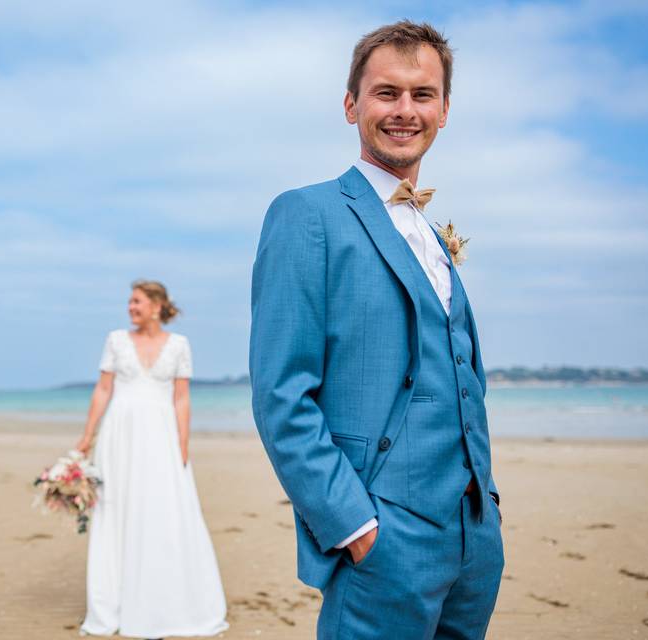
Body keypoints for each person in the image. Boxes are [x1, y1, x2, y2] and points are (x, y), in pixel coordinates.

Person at [249, 21, 504, 639]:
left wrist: (487, 512)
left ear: (445, 110)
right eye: (386, 92)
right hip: (383, 540)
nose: (404, 110)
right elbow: (282, 394)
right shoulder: (307, 214)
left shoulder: (433, 236)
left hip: (474, 543)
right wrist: (356, 527)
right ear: (351, 105)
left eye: (422, 95)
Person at [75, 280, 228, 638]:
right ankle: (114, 603)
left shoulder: (179, 345)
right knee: (117, 509)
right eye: (129, 301)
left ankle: (164, 600)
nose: (131, 307)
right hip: (119, 436)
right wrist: (87, 436)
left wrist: (183, 441)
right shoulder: (115, 340)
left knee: (163, 510)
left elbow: (181, 398)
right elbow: (103, 389)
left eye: (137, 301)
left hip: (161, 438)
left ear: (157, 305)